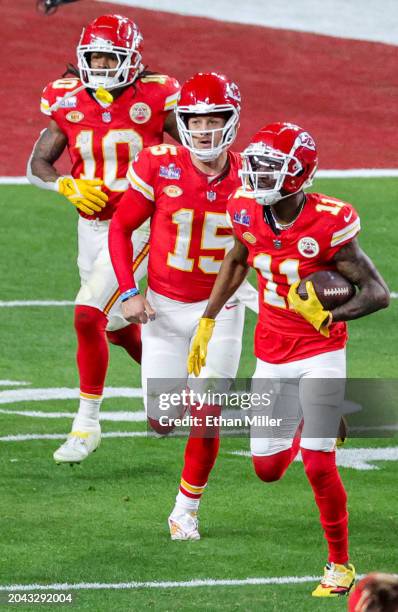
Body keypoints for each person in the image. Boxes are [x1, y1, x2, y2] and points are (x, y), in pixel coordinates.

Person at [187, 122, 390, 595]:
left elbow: (378, 294)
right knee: (267, 469)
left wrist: (329, 313)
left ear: (297, 174)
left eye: (269, 166)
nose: (255, 173)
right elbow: (238, 259)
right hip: (272, 351)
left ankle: (339, 567)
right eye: (254, 162)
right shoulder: (244, 209)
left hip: (321, 350)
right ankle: (318, 415)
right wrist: (208, 318)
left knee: (319, 464)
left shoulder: (328, 221)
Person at [109, 72, 258, 540]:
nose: (204, 131)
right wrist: (129, 294)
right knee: (163, 417)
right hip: (164, 305)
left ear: (232, 122)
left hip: (222, 306)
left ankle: (185, 510)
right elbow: (120, 228)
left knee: (206, 409)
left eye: (215, 121)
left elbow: (272, 239)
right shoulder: (159, 163)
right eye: (194, 121)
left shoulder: (254, 174)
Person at [27, 14, 180, 464]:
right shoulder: (64, 97)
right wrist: (64, 185)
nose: (100, 63)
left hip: (138, 228)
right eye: (93, 55)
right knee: (115, 329)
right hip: (90, 228)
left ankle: (86, 424)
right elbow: (38, 163)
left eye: (109, 56)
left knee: (87, 315)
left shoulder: (156, 95)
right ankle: (174, 394)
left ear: (131, 58)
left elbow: (194, 154)